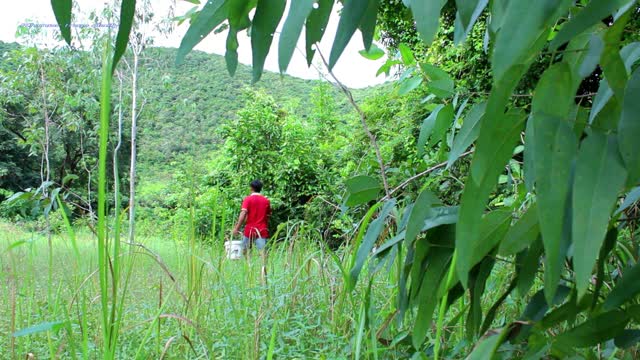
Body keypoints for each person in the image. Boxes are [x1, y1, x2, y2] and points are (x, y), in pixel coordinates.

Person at [232, 179, 271, 252]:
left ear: (251, 188)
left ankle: (248, 263)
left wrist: (236, 228)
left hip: (249, 229)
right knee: (263, 252)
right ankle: (264, 264)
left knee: (244, 250)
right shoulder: (266, 201)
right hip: (262, 230)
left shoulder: (248, 199)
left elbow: (243, 214)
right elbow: (267, 216)